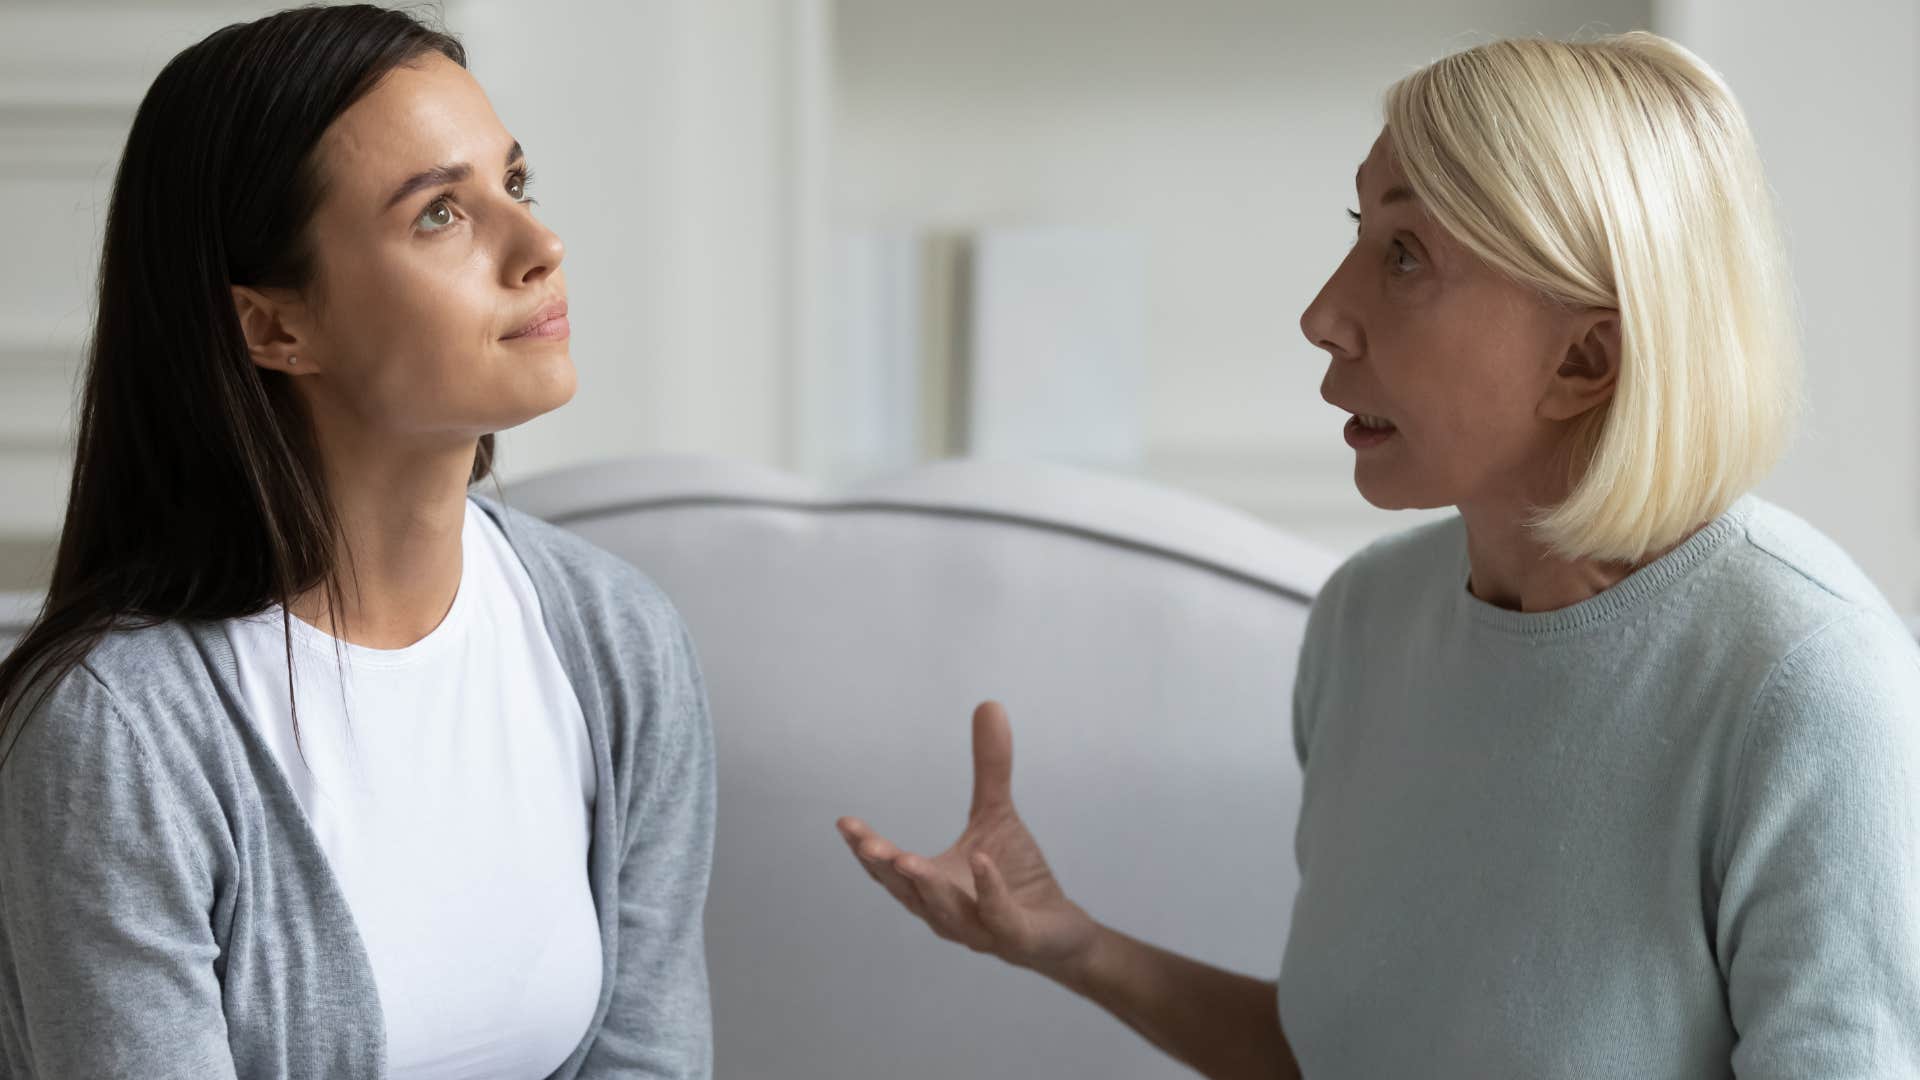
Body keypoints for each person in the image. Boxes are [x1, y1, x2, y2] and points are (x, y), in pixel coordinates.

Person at [838, 31, 1920, 1080]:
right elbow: (1341, 1056)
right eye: (1360, 230)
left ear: (1587, 356)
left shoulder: (1809, 685)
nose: (1322, 314)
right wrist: (1070, 944)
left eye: (1405, 254)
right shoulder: (1363, 622)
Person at [0, 6, 714, 1077]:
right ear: (273, 327)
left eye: (512, 185)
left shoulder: (617, 640)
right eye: (439, 214)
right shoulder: (120, 734)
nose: (540, 246)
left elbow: (650, 1057)